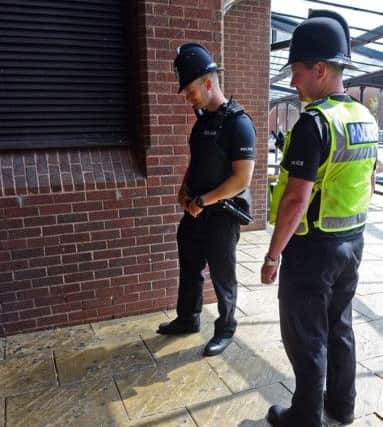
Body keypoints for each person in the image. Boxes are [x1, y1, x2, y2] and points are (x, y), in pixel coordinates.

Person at [261, 10, 378, 427]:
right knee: (340, 326)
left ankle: (306, 417)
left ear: (320, 69)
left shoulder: (315, 122)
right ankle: (342, 406)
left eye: (296, 72)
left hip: (312, 248)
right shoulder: (365, 119)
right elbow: (367, 181)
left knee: (306, 334)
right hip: (352, 240)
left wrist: (273, 254)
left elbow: (295, 199)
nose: (293, 82)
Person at [157, 43, 256, 357]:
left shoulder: (239, 124)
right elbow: (195, 161)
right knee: (189, 266)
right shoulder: (201, 122)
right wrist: (184, 188)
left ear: (209, 83)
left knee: (222, 275)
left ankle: (226, 328)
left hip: (222, 216)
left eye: (190, 90)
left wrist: (205, 200)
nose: (187, 96)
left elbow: (242, 180)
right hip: (195, 210)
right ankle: (188, 318)